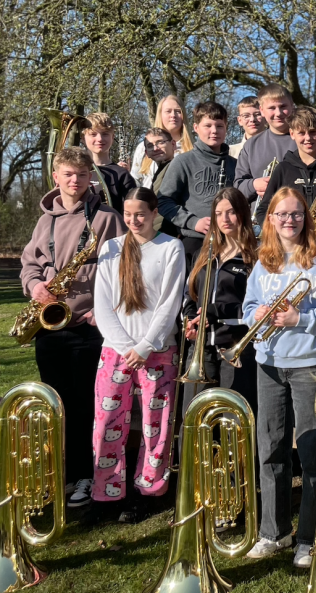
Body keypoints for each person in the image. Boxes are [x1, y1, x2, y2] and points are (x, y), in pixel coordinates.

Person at [242, 187, 316, 568]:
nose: (290, 220)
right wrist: (255, 315)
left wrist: (299, 318)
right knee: (270, 448)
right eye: (282, 214)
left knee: (312, 451)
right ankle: (274, 532)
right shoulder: (263, 262)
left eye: (297, 214)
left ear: (306, 218)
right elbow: (248, 307)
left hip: (309, 364)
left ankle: (308, 537)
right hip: (268, 364)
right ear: (270, 219)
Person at [20, 147, 125, 508]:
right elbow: (30, 264)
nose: (74, 181)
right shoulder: (44, 220)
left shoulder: (107, 218)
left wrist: (102, 310)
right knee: (56, 404)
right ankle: (58, 474)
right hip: (49, 325)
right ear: (56, 176)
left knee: (85, 406)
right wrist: (35, 286)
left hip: (89, 326)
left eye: (81, 175)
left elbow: (123, 269)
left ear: (90, 177)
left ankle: (84, 474)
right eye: (68, 174)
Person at [91, 188, 185, 522]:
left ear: (155, 213)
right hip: (115, 351)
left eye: (141, 214)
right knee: (107, 423)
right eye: (128, 214)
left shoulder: (170, 247)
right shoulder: (111, 248)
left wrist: (145, 346)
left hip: (157, 352)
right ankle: (107, 492)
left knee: (154, 426)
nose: (134, 220)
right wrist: (124, 346)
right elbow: (102, 303)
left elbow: (170, 302)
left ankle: (149, 490)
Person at [180, 187, 259, 418]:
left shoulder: (255, 257)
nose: (225, 219)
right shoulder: (204, 254)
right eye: (218, 213)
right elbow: (190, 296)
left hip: (236, 349)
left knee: (233, 421)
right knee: (195, 419)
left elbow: (257, 308)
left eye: (231, 212)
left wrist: (215, 311)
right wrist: (191, 320)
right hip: (201, 349)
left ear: (243, 213)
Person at [256, 106, 316, 272]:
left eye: (313, 132)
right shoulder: (283, 169)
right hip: (289, 251)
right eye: (301, 133)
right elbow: (262, 211)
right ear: (292, 134)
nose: (308, 138)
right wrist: (277, 234)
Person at [157, 101, 237, 264]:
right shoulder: (183, 162)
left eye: (219, 126)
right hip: (194, 241)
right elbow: (163, 201)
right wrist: (193, 222)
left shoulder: (235, 165)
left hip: (231, 241)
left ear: (226, 128)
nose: (214, 131)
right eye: (207, 125)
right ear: (196, 127)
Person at [232, 84, 297, 208]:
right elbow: (238, 186)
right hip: (262, 216)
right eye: (272, 108)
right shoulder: (251, 145)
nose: (278, 113)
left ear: (292, 107)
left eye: (283, 106)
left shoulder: (307, 140)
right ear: (262, 111)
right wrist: (254, 185)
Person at [130, 95, 195, 188]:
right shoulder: (143, 147)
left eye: (178, 111)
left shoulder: (194, 149)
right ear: (160, 115)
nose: (173, 115)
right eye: (168, 111)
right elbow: (135, 180)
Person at [82, 112, 138, 211]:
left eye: (105, 134)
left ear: (112, 137)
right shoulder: (76, 171)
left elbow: (132, 210)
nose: (99, 139)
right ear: (83, 138)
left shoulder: (121, 174)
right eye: (93, 134)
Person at [140, 128, 176, 192]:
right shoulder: (155, 173)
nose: (155, 148)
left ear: (173, 144)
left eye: (160, 142)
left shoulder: (179, 168)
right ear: (146, 153)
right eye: (150, 146)